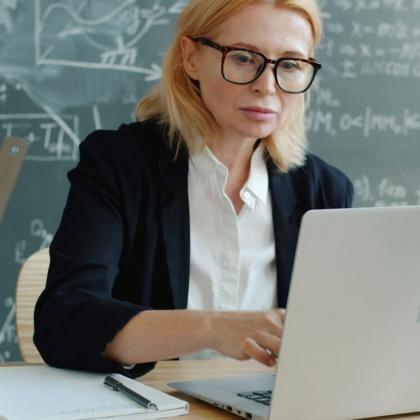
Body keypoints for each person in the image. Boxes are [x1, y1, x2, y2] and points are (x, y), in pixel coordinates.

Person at [34, 0, 353, 378]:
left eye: (289, 65)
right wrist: (211, 328)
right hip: (155, 406)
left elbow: (338, 340)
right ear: (191, 58)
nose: (267, 87)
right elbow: (64, 320)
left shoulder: (325, 192)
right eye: (243, 58)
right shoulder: (119, 164)